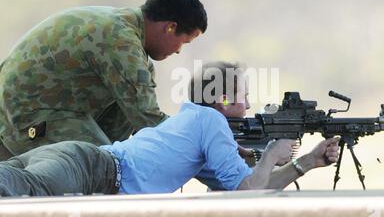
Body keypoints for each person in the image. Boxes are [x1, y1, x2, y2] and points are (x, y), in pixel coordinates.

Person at [0, 62, 339, 197]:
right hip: (91, 169)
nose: (248, 105)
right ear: (220, 98)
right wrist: (271, 155)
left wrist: (306, 162)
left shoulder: (194, 121)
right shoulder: (211, 121)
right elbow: (248, 191)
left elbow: (252, 189)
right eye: (242, 97)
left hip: (79, 161)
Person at [0, 0, 207, 161]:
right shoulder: (120, 41)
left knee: (121, 151)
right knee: (104, 167)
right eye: (185, 42)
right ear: (171, 28)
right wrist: (207, 142)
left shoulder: (126, 35)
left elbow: (140, 122)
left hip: (41, 110)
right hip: (27, 117)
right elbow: (149, 120)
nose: (180, 50)